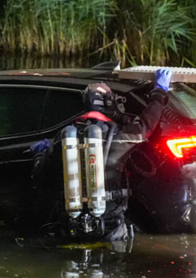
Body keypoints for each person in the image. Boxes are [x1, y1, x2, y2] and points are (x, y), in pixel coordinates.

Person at [30, 68, 172, 242]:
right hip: (111, 228)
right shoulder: (118, 136)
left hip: (70, 228)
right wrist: (159, 92)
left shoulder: (65, 138)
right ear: (110, 104)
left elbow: (39, 177)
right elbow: (147, 124)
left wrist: (40, 153)